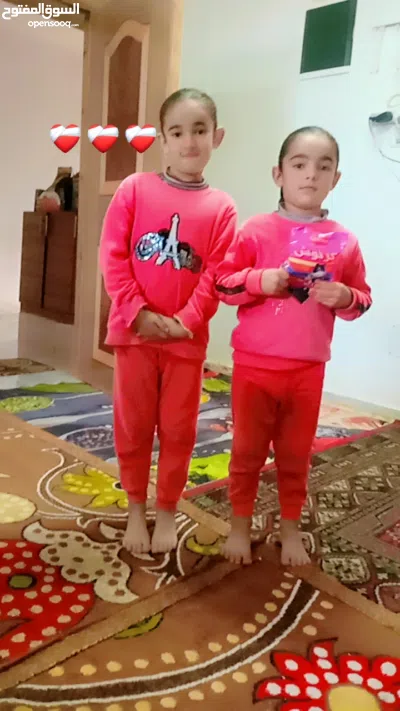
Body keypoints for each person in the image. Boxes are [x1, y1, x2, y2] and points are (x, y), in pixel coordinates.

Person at [215, 126, 372, 567]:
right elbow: (222, 285)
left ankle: (289, 528)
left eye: (323, 167)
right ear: (278, 174)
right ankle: (240, 526)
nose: (310, 175)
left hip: (307, 371)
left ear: (335, 179)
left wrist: (344, 296)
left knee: (296, 455)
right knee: (246, 451)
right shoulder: (256, 230)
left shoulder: (344, 241)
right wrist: (257, 280)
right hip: (254, 368)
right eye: (299, 164)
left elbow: (363, 299)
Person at [100, 88, 237, 556]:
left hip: (184, 342)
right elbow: (113, 255)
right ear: (163, 139)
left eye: (199, 130)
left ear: (216, 136)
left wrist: (186, 321)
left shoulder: (222, 207)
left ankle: (166, 509)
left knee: (178, 430)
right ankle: (135, 507)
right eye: (177, 132)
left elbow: (217, 273)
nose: (189, 142)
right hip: (134, 335)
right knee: (134, 426)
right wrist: (136, 312)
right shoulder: (134, 189)